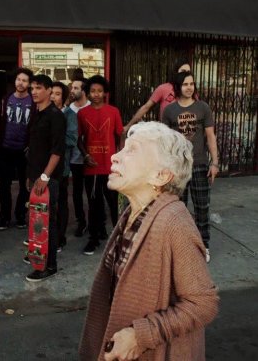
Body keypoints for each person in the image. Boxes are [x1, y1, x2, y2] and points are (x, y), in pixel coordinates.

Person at [79, 121, 219, 361]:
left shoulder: (174, 223)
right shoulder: (133, 211)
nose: (114, 156)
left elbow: (203, 304)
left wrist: (140, 336)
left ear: (161, 175)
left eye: (132, 150)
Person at [162, 71, 219, 263]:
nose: (189, 87)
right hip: (179, 168)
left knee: (202, 208)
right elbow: (166, 142)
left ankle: (204, 245)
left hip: (200, 165)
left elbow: (211, 136)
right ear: (178, 87)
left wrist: (215, 163)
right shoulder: (169, 111)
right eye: (185, 84)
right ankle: (180, 246)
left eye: (192, 84)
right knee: (179, 209)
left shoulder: (203, 107)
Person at [25, 74, 66, 281]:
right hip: (35, 177)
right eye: (32, 88)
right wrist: (30, 177)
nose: (33, 91)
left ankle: (49, 266)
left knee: (48, 222)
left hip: (49, 180)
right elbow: (34, 149)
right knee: (35, 222)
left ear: (49, 90)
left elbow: (57, 151)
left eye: (38, 87)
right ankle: (37, 257)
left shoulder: (56, 116)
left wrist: (44, 177)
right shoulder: (36, 113)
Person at [78, 75, 123, 255]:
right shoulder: (82, 113)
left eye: (99, 91)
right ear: (88, 93)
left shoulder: (113, 112)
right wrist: (85, 154)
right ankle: (94, 238)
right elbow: (79, 139)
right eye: (92, 91)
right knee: (94, 204)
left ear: (105, 93)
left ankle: (119, 238)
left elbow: (121, 135)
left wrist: (120, 157)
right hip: (92, 167)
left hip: (111, 167)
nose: (96, 94)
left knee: (114, 205)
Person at [0, 67, 35, 230]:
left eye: (25, 80)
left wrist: (30, 145)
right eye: (19, 79)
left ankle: (20, 215)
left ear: (29, 83)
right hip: (5, 148)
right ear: (15, 81)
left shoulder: (33, 102)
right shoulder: (6, 99)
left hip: (24, 150)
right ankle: (4, 216)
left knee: (25, 186)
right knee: (5, 184)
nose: (21, 83)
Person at [123, 59, 192, 134]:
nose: (186, 74)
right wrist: (128, 126)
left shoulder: (191, 91)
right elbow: (146, 107)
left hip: (186, 134)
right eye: (183, 71)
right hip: (166, 133)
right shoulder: (163, 88)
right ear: (176, 72)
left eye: (188, 72)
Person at [65, 77, 91, 237]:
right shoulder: (68, 110)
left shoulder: (90, 108)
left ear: (83, 90)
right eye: (72, 88)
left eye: (76, 88)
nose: (72, 91)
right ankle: (81, 222)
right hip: (74, 158)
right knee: (76, 192)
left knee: (92, 192)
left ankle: (96, 222)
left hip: (90, 157)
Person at [51, 81, 73, 250]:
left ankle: (60, 237)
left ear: (64, 97)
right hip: (45, 166)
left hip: (62, 165)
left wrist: (54, 144)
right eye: (52, 93)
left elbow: (72, 139)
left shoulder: (69, 114)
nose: (53, 97)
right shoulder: (45, 112)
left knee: (61, 202)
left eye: (57, 94)